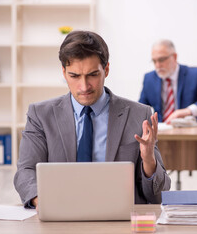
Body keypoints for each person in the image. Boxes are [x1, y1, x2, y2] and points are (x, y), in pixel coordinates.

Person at [14, 31, 171, 208]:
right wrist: (46, 204)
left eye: (93, 75)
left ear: (106, 70)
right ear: (64, 73)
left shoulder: (139, 114)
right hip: (60, 216)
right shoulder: (40, 115)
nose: (84, 86)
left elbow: (158, 195)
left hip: (119, 219)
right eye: (74, 76)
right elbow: (25, 173)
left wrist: (149, 159)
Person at [139, 39, 197, 123]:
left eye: (162, 59)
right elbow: (140, 109)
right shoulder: (149, 79)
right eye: (154, 61)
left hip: (191, 131)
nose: (158, 65)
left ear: (174, 57)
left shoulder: (195, 75)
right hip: (162, 132)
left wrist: (188, 111)